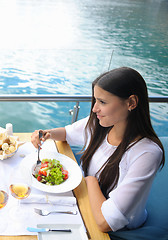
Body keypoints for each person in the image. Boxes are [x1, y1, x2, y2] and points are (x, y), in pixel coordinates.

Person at [31, 67, 165, 232]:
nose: (94, 109)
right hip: (85, 197)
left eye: (103, 102)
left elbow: (105, 222)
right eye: (95, 100)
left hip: (120, 229)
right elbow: (67, 133)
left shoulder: (146, 153)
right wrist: (47, 134)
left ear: (131, 103)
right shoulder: (102, 124)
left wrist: (90, 180)